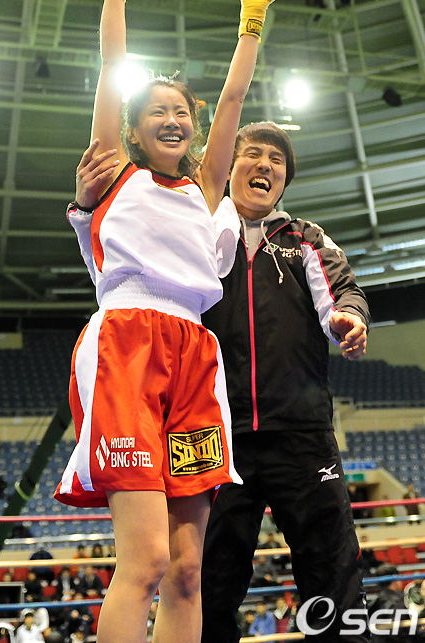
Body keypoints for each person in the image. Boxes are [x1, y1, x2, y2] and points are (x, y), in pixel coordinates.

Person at [53, 0, 277, 643]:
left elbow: (235, 96)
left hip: (195, 359)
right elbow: (111, 66)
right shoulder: (112, 170)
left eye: (182, 111)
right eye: (158, 111)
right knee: (145, 559)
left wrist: (252, 19)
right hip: (126, 344)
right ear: (135, 127)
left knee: (186, 570)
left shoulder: (207, 186)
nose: (174, 119)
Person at [200, 120, 372, 642]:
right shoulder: (198, 235)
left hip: (301, 434)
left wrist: (348, 317)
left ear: (284, 181)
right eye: (253, 153)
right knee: (206, 580)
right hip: (212, 434)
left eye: (277, 160)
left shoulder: (306, 239)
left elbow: (342, 290)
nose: (265, 165)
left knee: (333, 574)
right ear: (228, 166)